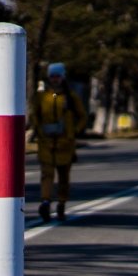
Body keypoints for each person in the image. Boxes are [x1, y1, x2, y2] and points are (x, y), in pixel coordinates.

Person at [31, 63, 87, 223]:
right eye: (52, 76)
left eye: (57, 76)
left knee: (64, 177)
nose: (55, 79)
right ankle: (45, 201)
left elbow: (82, 116)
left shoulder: (70, 97)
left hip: (65, 144)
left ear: (63, 77)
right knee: (46, 175)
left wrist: (74, 131)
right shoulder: (42, 97)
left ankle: (61, 203)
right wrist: (39, 131)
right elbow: (35, 116)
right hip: (46, 143)